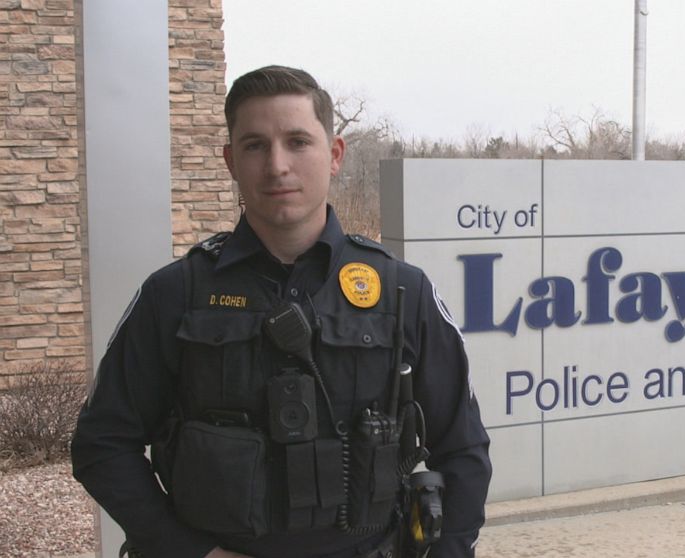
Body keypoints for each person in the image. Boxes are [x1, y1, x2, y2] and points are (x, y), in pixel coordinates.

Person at [71, 65, 492, 558]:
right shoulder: (175, 294)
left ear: (334, 155)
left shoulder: (404, 292)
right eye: (254, 145)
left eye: (297, 141)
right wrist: (185, 551)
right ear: (230, 160)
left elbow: (462, 450)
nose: (276, 165)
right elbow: (102, 443)